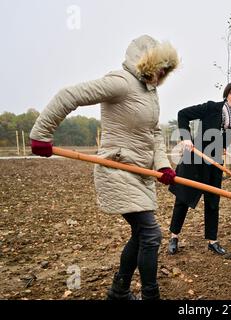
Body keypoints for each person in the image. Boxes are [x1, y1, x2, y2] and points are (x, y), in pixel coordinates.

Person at [29, 35, 179, 300]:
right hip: (117, 169)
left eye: (166, 70)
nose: (162, 73)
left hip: (141, 173)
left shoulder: (150, 93)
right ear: (146, 62)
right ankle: (150, 295)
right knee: (151, 234)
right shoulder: (120, 82)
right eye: (160, 66)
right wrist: (42, 134)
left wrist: (164, 165)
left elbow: (154, 133)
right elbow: (69, 95)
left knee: (141, 234)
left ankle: (119, 292)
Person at [167, 82, 231, 255]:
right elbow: (183, 114)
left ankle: (212, 240)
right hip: (193, 160)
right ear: (226, 95)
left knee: (212, 202)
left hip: (214, 164)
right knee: (183, 199)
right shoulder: (211, 108)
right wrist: (186, 137)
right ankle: (174, 236)